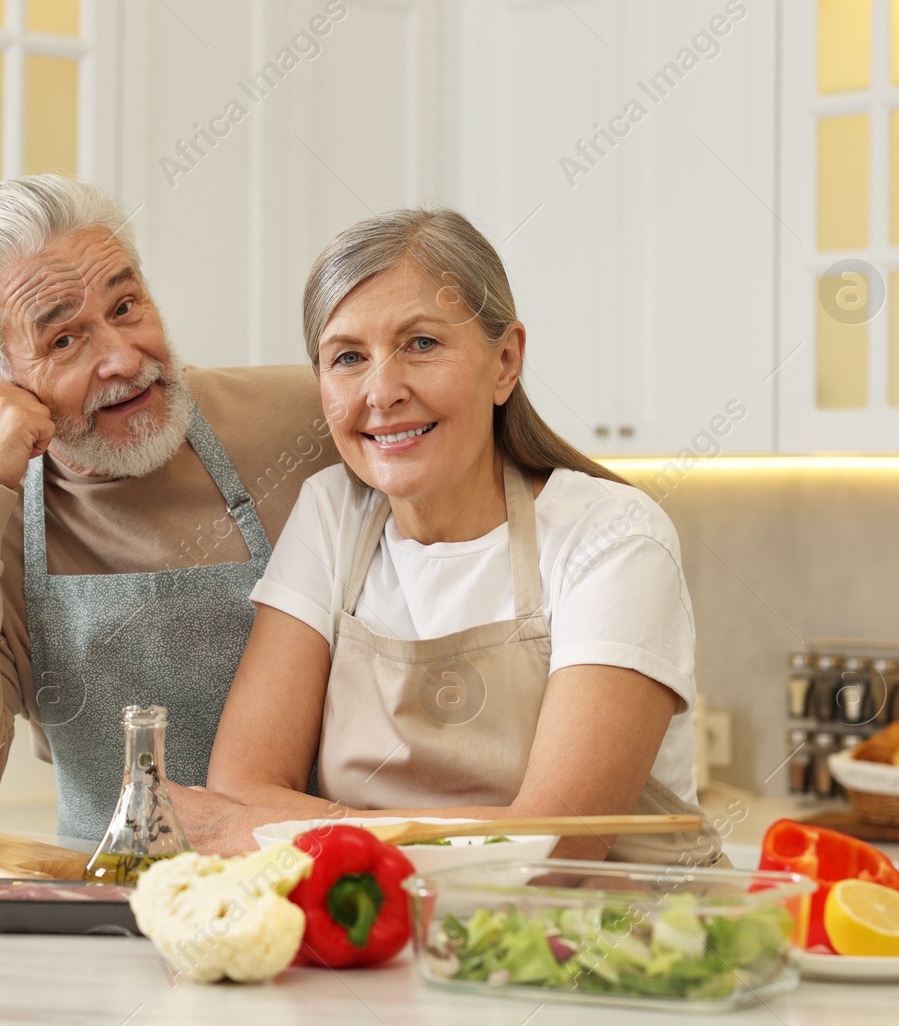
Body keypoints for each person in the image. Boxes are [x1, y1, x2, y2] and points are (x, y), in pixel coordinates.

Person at [177, 208, 725, 866]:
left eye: (422, 344)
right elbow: (240, 787)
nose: (382, 391)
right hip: (389, 943)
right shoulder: (331, 514)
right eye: (348, 356)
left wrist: (304, 827)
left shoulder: (612, 538)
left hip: (606, 948)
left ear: (505, 362)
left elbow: (558, 842)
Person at [0, 175, 338, 840]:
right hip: (99, 912)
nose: (122, 358)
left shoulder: (306, 422)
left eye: (126, 306)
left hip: (319, 899)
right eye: (63, 341)